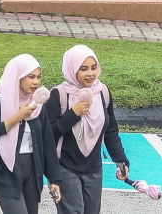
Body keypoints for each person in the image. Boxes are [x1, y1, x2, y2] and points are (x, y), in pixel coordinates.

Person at [47, 45, 129, 214]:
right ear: (72, 69)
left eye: (94, 68)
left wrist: (121, 160)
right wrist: (73, 114)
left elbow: (110, 130)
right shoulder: (58, 95)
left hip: (93, 168)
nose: (90, 73)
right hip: (65, 168)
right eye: (83, 69)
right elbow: (48, 134)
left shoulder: (102, 92)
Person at [0, 54, 63, 214]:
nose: (36, 82)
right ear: (17, 77)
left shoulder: (37, 105)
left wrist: (54, 179)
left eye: (39, 77)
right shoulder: (0, 102)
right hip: (7, 174)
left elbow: (47, 143)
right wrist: (16, 117)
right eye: (31, 77)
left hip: (33, 174)